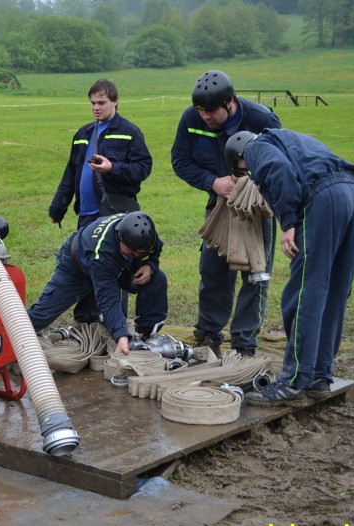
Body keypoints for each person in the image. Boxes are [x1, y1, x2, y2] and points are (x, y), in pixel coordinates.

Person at [225, 130, 354, 406]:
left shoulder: (256, 147)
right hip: (351, 196)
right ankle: (319, 376)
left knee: (304, 291)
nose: (250, 176)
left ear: (240, 156)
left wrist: (288, 223)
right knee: (335, 291)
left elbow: (278, 170)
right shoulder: (290, 140)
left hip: (322, 200)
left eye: (245, 171)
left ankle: (293, 381)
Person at [171, 70, 282, 357]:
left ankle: (244, 344)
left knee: (255, 274)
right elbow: (180, 160)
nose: (205, 117)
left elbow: (280, 162)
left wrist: (253, 186)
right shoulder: (191, 119)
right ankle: (208, 334)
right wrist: (213, 182)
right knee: (212, 271)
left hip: (257, 209)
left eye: (211, 111)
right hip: (218, 205)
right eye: (200, 110)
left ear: (229, 102)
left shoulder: (262, 120)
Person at [48, 78, 153, 325]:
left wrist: (113, 168)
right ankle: (86, 321)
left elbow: (143, 168)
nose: (96, 107)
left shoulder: (130, 132)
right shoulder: (83, 134)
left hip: (114, 215)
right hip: (86, 214)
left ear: (115, 102)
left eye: (102, 102)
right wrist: (58, 207)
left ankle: (114, 322)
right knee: (84, 265)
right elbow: (70, 173)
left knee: (114, 267)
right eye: (93, 103)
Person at [27, 211, 168, 355]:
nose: (137, 256)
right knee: (40, 316)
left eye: (141, 253)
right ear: (120, 236)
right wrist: (121, 335)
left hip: (114, 265)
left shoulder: (144, 236)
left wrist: (150, 265)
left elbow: (156, 248)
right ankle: (9, 338)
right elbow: (108, 299)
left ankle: (146, 334)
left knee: (157, 279)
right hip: (75, 266)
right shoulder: (102, 255)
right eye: (133, 252)